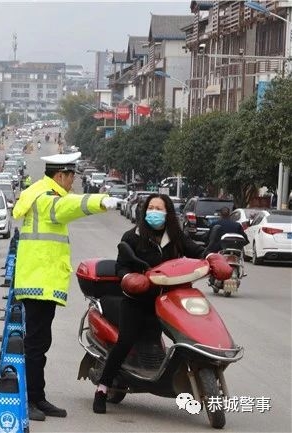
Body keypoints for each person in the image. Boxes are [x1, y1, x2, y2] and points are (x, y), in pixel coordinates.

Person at [92, 193, 233, 414]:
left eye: (159, 208)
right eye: (151, 208)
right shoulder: (132, 236)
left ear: (167, 213)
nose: (155, 212)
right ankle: (102, 388)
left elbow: (197, 251)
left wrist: (213, 257)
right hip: (137, 300)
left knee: (188, 333)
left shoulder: (176, 237)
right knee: (125, 341)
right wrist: (129, 278)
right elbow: (122, 266)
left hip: (168, 300)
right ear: (144, 211)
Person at [12, 153, 119, 421]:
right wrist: (100, 201)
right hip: (37, 282)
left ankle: (38, 397)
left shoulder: (41, 192)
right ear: (61, 175)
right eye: (72, 177)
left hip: (40, 282)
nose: (73, 183)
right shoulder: (46, 197)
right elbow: (66, 208)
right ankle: (28, 400)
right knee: (35, 346)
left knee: (40, 343)